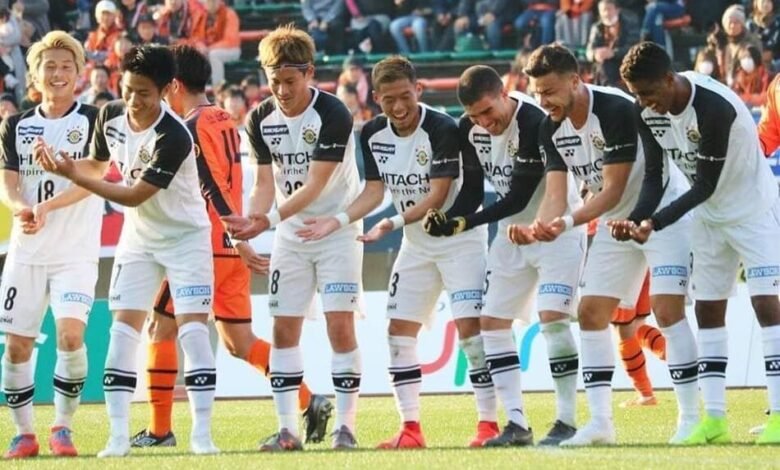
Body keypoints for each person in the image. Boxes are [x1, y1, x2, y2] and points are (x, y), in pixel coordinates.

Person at [126, 44, 333, 448]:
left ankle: (160, 430)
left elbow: (208, 183)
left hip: (202, 244)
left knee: (160, 328)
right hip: (231, 243)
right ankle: (309, 400)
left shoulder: (186, 126)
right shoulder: (225, 117)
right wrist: (237, 237)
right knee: (239, 342)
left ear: (174, 85)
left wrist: (232, 235)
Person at [298, 55, 494, 449]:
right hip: (417, 246)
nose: (399, 107)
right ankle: (411, 430)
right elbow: (374, 191)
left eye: (405, 96)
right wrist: (337, 220)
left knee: (472, 333)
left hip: (460, 242)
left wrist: (393, 222)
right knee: (398, 334)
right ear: (376, 99)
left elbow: (438, 194)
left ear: (418, 90)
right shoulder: (371, 133)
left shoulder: (442, 127)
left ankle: (489, 424)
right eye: (388, 100)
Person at [37, 45, 219, 457]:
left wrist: (73, 177)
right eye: (129, 89)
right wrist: (63, 165)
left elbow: (134, 195)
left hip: (186, 239)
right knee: (122, 332)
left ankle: (202, 437)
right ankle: (118, 438)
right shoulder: (110, 116)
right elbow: (97, 167)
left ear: (168, 89)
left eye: (145, 93)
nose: (135, 100)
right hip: (139, 240)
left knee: (192, 332)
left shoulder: (175, 136)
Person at [522, 44, 699, 446]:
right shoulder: (549, 127)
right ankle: (600, 423)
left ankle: (690, 419)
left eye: (549, 91)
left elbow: (613, 187)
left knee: (667, 310)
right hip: (614, 222)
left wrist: (566, 222)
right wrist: (540, 227)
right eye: (536, 94)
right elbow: (555, 192)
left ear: (575, 80)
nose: (542, 101)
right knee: (591, 312)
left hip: (661, 212)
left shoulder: (615, 109)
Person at [617, 41, 780, 445]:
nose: (645, 103)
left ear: (670, 79)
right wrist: (635, 218)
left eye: (650, 94)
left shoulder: (713, 106)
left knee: (766, 305)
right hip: (708, 218)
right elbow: (655, 176)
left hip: (753, 211)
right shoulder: (646, 110)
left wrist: (654, 222)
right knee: (708, 310)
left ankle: (779, 415)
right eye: (638, 95)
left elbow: (705, 184)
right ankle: (715, 419)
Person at [422, 65, 585, 446]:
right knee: (491, 324)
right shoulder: (470, 128)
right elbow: (476, 186)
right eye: (474, 116)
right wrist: (450, 217)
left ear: (503, 93)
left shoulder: (534, 120)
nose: (483, 122)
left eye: (487, 112)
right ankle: (516, 423)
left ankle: (567, 420)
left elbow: (519, 194)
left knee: (553, 321)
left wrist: (465, 224)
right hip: (510, 235)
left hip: (556, 229)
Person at [224, 25, 363, 451]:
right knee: (284, 330)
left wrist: (264, 220)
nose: (281, 90)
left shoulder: (334, 112)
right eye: (274, 81)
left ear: (309, 73)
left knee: (340, 327)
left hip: (337, 228)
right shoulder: (259, 118)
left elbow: (317, 185)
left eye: (290, 81)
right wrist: (249, 226)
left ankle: (346, 428)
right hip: (290, 234)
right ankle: (288, 431)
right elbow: (264, 183)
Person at [0, 30, 101, 459]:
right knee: (17, 346)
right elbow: (8, 183)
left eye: (66, 66)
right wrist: (23, 207)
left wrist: (50, 206)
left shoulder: (95, 119)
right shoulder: (15, 125)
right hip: (26, 252)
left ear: (79, 73)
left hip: (75, 253)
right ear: (35, 75)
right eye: (50, 66)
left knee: (71, 337)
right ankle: (24, 433)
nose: (58, 73)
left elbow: (95, 177)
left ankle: (63, 427)